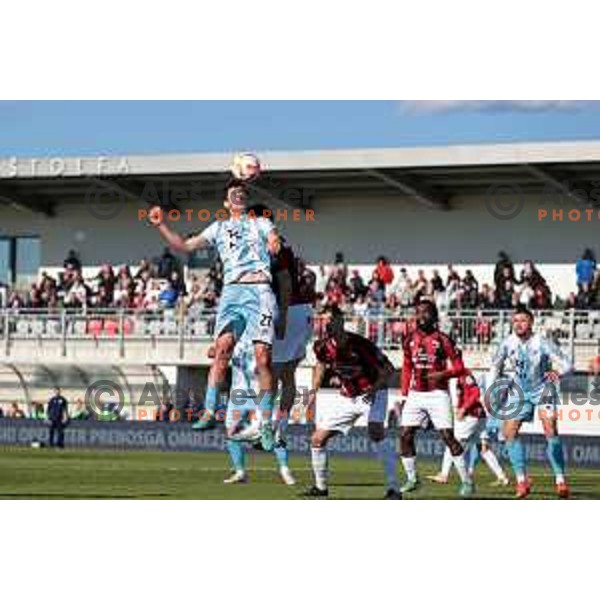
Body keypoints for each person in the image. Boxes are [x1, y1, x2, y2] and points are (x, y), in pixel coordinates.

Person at [148, 177, 281, 451]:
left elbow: (273, 237)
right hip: (232, 294)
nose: (239, 195)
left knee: (263, 360)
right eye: (234, 192)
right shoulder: (218, 227)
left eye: (242, 192)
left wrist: (274, 243)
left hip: (259, 292)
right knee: (221, 352)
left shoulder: (260, 222)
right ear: (226, 201)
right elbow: (184, 246)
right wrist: (161, 224)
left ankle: (266, 424)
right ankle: (209, 412)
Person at [302, 305, 400, 499]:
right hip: (348, 396)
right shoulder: (322, 346)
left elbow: (388, 369)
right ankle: (321, 488)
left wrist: (373, 389)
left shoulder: (361, 344)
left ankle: (394, 489)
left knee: (375, 432)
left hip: (373, 393)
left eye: (331, 320)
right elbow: (321, 364)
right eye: (324, 320)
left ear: (340, 321)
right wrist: (313, 390)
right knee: (317, 439)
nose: (327, 324)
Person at [489, 306, 572, 498]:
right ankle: (521, 481)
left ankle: (560, 480)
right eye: (515, 321)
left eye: (523, 320)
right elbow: (495, 366)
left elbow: (569, 364)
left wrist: (558, 372)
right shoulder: (507, 343)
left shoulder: (542, 342)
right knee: (508, 432)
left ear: (531, 322)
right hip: (519, 390)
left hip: (543, 388)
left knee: (550, 428)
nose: (518, 324)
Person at [398, 299, 473, 497]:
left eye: (425, 312)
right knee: (405, 435)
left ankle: (466, 481)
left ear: (434, 316)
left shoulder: (444, 339)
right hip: (415, 394)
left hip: (438, 394)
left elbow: (460, 368)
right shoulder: (408, 339)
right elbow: (407, 367)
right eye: (418, 312)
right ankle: (413, 479)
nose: (421, 316)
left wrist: (441, 375)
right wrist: (404, 394)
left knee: (448, 437)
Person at [222, 332, 296, 486]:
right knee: (231, 432)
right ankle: (240, 472)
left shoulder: (263, 342)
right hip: (239, 393)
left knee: (272, 432)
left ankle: (284, 469)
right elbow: (220, 355)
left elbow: (265, 368)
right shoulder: (234, 341)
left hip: (260, 392)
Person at [427, 370, 508, 486]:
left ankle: (444, 474)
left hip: (471, 415)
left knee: (453, 443)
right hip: (479, 416)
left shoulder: (464, 375)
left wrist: (463, 409)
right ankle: (502, 477)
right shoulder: (459, 376)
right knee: (484, 449)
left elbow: (475, 393)